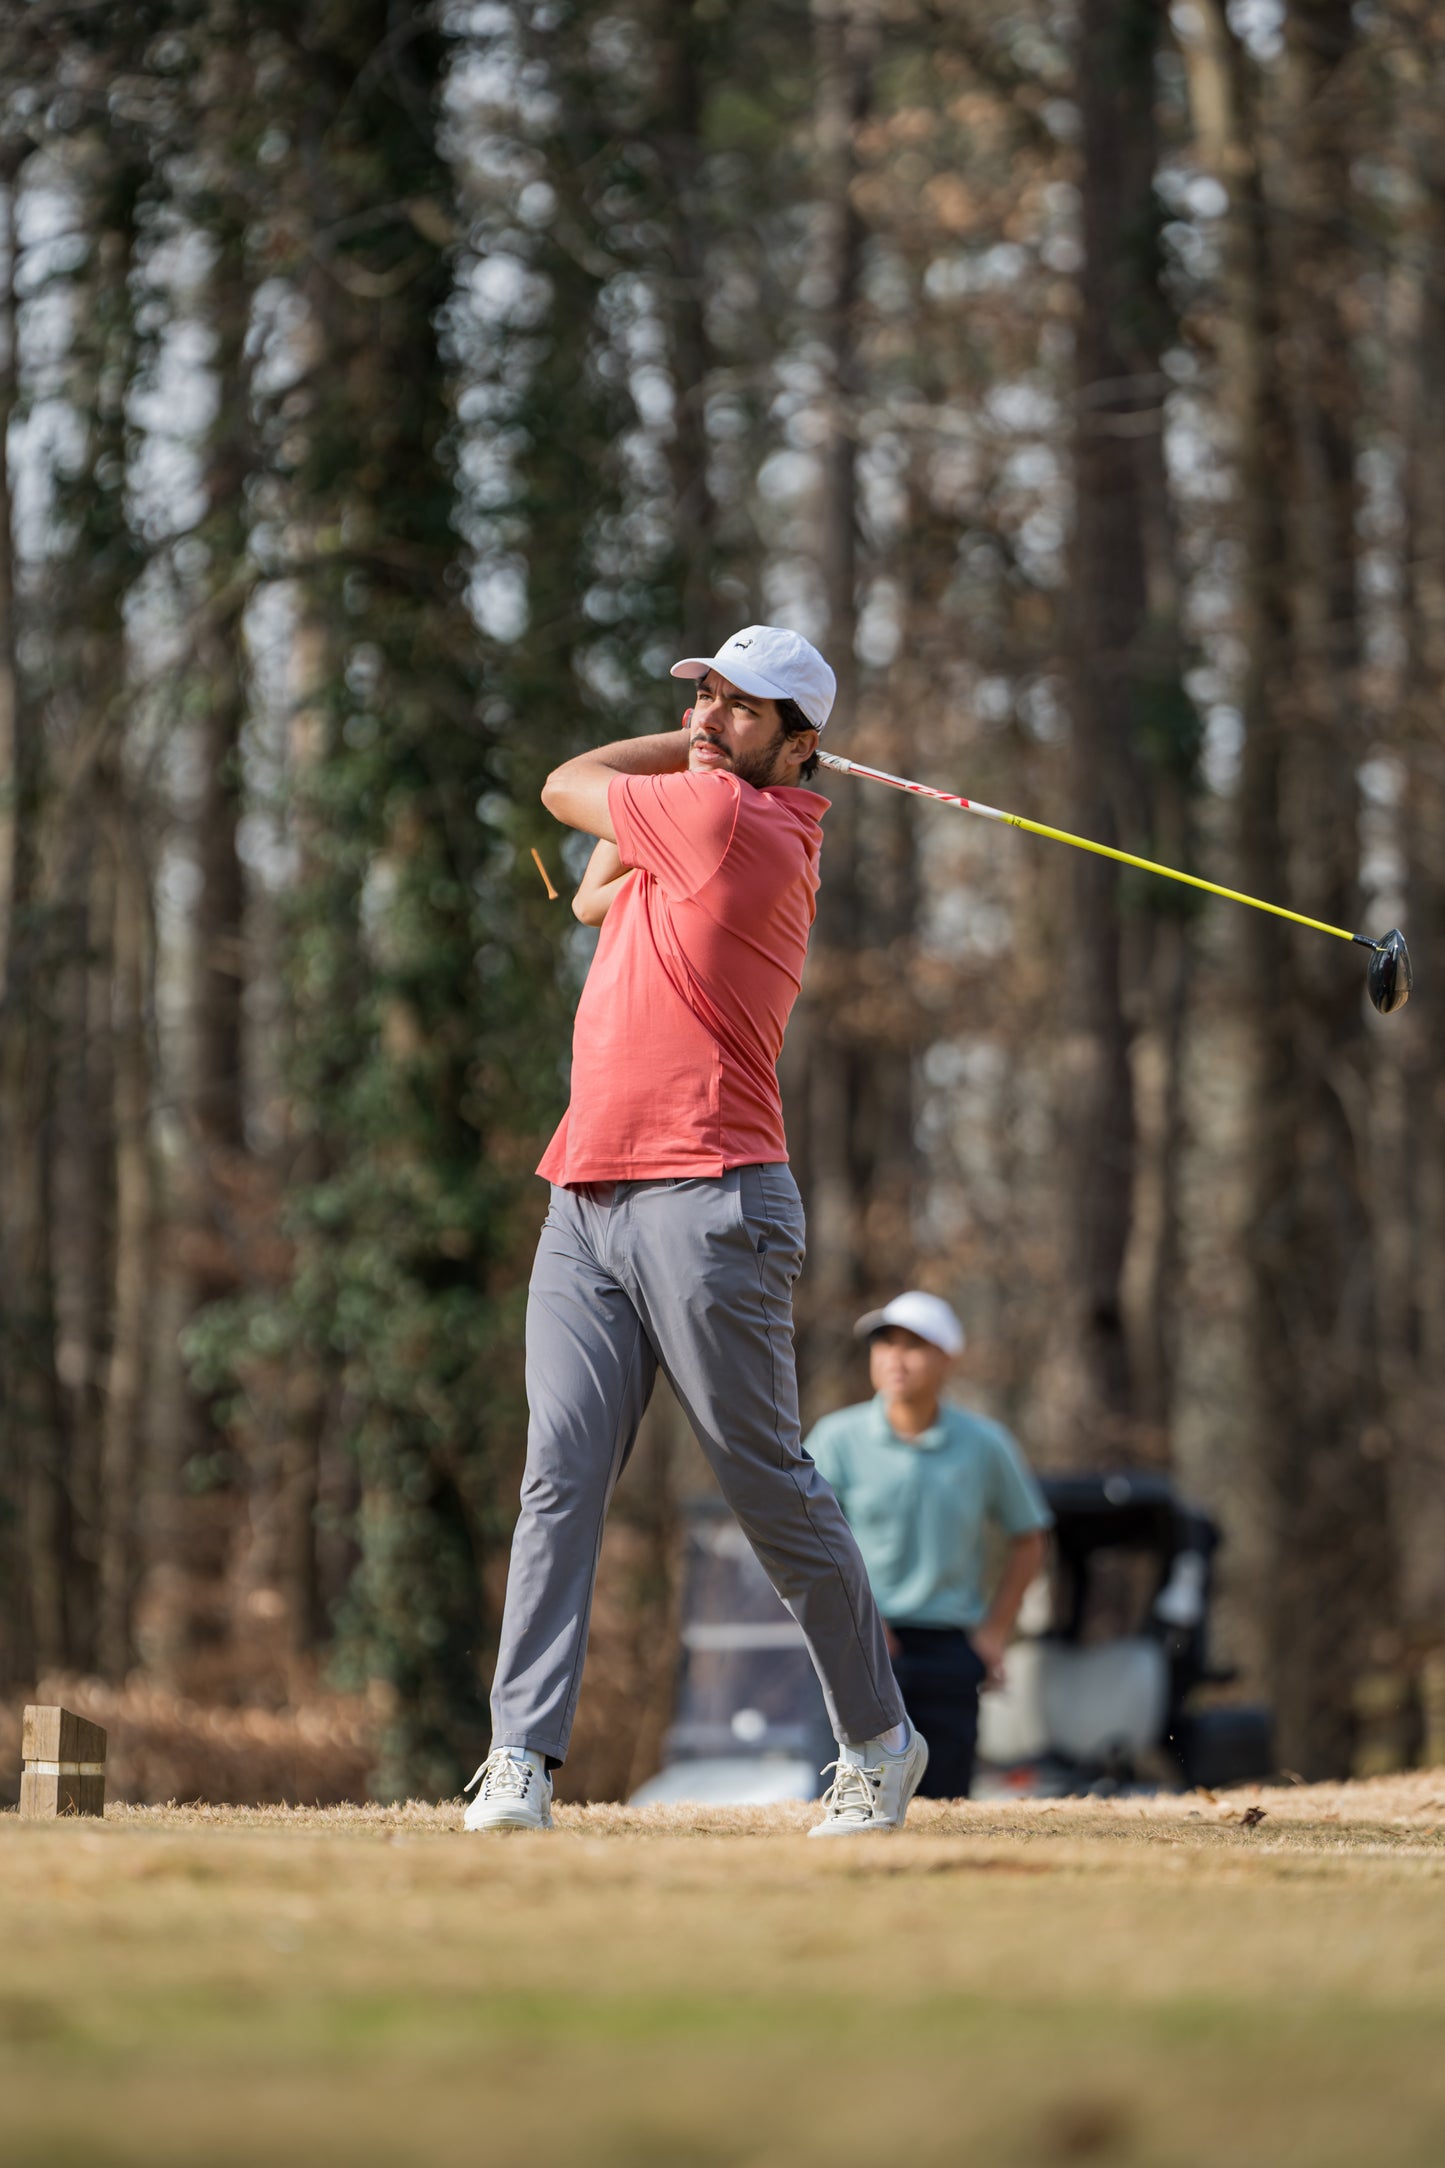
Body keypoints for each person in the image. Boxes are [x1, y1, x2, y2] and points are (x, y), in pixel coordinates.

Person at [465, 626, 928, 1837]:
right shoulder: (698, 811)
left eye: (741, 706)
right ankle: (518, 1752)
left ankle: (877, 1738)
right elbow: (590, 894)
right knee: (558, 1474)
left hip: (710, 1193)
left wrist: (676, 755)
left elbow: (566, 784)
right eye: (705, 695)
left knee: (767, 1484)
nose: (712, 717)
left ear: (800, 744)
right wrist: (695, 750)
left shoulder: (734, 823)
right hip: (586, 1193)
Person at [805, 1290, 1051, 1800]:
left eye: (914, 1345)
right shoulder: (837, 1438)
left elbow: (1028, 1538)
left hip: (949, 1652)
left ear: (947, 1358)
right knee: (856, 1801)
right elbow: (808, 1543)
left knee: (945, 1806)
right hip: (857, 1647)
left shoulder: (985, 1445)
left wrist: (994, 1634)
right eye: (885, 1343)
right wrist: (859, 1620)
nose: (896, 1357)